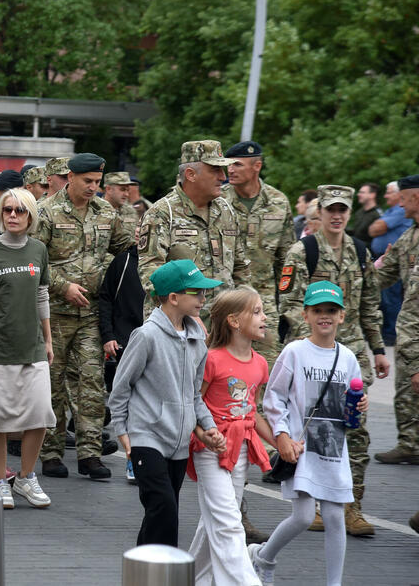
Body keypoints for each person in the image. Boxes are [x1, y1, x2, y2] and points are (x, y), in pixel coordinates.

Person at [278, 185, 389, 536]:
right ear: (320, 212)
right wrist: (314, 340)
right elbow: (289, 305)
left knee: (355, 429)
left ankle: (351, 506)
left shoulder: (360, 252)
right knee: (312, 426)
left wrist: (378, 348)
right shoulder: (303, 251)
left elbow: (370, 304)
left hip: (351, 352)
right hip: (313, 352)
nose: (337, 216)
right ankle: (311, 502)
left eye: (343, 209)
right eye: (331, 210)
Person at [251, 281, 369, 586]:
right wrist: (281, 434)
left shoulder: (347, 358)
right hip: (300, 447)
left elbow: (352, 408)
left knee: (333, 517)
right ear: (306, 315)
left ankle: (334, 583)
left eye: (331, 310)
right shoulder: (294, 352)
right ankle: (264, 556)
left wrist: (360, 406)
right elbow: (273, 397)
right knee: (304, 517)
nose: (325, 316)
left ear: (342, 316)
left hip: (332, 449)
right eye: (318, 311)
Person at [107, 259, 224, 547]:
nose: (203, 298)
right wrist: (122, 432)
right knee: (165, 510)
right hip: (146, 438)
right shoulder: (146, 336)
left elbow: (194, 394)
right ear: (174, 298)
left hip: (179, 443)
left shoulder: (198, 339)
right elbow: (121, 387)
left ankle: (141, 572)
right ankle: (167, 573)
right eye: (196, 292)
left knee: (158, 515)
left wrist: (208, 427)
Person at [35, 153, 135, 480]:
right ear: (70, 177)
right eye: (87, 181)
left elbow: (124, 250)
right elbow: (34, 260)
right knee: (53, 384)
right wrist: (63, 287)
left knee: (91, 383)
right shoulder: (46, 212)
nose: (93, 188)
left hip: (91, 312)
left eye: (97, 182)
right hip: (53, 314)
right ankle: (50, 452)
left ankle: (90, 453)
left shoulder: (106, 212)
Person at [0, 187, 56, 509]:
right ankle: (0, 479)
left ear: (30, 216)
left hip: (31, 346)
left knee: (39, 414)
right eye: (8, 210)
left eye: (20, 211)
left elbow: (42, 296)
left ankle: (26, 477)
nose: (13, 216)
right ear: (0, 214)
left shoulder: (38, 250)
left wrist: (47, 339)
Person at [187, 287, 275, 586]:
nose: (265, 317)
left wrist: (280, 442)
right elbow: (192, 404)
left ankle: (190, 579)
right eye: (257, 312)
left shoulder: (260, 364)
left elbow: (252, 413)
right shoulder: (211, 359)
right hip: (209, 450)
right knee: (228, 523)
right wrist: (204, 434)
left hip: (240, 451)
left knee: (214, 521)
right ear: (234, 321)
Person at [137, 140, 250, 326]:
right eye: (215, 170)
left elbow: (240, 268)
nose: (223, 177)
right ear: (190, 174)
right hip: (177, 324)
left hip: (223, 323)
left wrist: (244, 306)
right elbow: (151, 272)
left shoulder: (226, 210)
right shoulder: (163, 213)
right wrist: (186, 311)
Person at [221, 140, 295, 367]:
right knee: (223, 363)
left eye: (238, 165)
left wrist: (287, 306)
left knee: (269, 363)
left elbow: (287, 261)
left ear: (257, 166)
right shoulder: (218, 200)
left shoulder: (278, 202)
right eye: (229, 165)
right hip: (225, 296)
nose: (230, 170)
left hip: (264, 300)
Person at [374, 174, 419, 465]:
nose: (398, 203)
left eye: (403, 197)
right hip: (411, 333)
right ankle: (411, 443)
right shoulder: (411, 235)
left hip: (412, 329)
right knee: (406, 388)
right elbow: (381, 276)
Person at [97, 224, 144, 482]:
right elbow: (106, 298)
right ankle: (132, 458)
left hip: (160, 344)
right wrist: (109, 336)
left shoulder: (172, 262)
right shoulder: (124, 261)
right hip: (127, 342)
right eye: (141, 230)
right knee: (129, 404)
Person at [370, 180, 414, 346]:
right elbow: (378, 280)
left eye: (403, 198)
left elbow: (377, 227)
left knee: (391, 300)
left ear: (415, 198)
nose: (401, 204)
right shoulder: (407, 239)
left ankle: (390, 333)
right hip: (409, 339)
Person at [103, 171, 140, 236]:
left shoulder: (130, 211)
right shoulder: (95, 210)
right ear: (108, 189)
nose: (126, 194)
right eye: (122, 189)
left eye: (128, 190)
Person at [349, 183, 381, 249]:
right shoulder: (359, 212)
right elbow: (357, 233)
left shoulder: (378, 215)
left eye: (362, 192)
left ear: (372, 195)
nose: (358, 194)